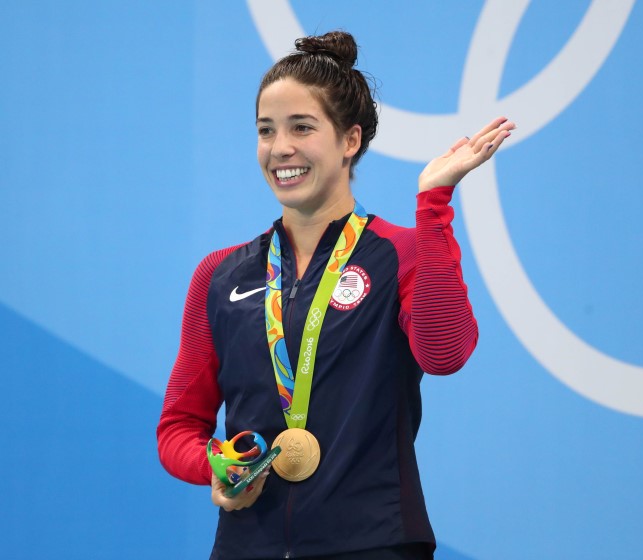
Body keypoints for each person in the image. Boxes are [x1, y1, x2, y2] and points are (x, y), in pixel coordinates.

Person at [157, 30, 515, 560]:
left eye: (302, 127)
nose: (281, 148)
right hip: (246, 546)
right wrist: (216, 464)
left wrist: (434, 204)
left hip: (374, 542)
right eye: (266, 130)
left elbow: (445, 356)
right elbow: (179, 427)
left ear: (350, 141)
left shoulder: (401, 253)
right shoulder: (220, 274)